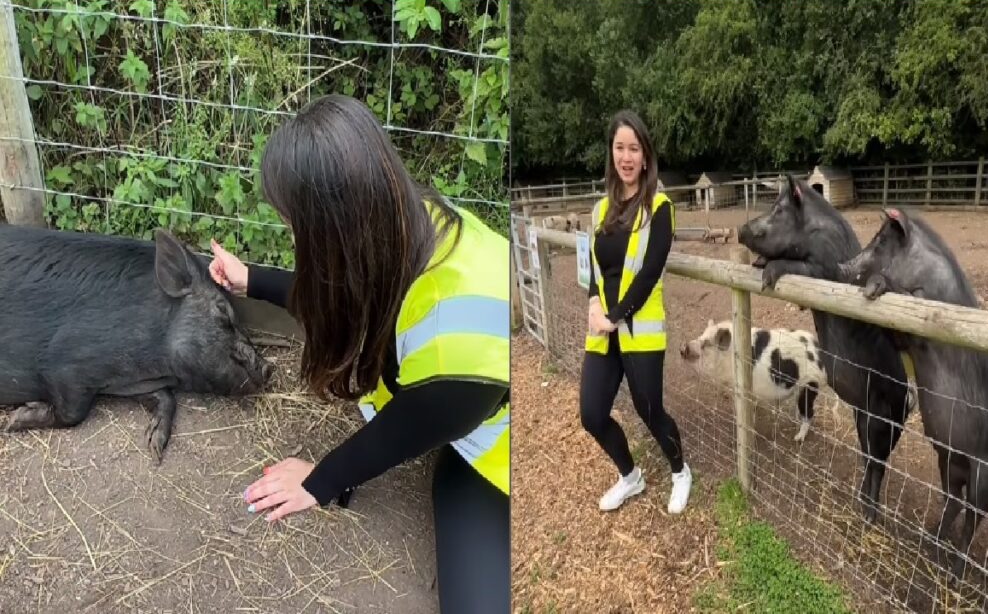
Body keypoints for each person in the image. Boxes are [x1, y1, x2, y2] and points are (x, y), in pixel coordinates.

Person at [207, 94, 510, 613]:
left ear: (334, 230)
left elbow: (399, 433)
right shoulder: (407, 219)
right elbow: (340, 295)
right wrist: (251, 280)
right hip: (442, 403)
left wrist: (322, 481)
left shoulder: (457, 347)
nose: (293, 235)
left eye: (297, 226)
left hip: (497, 452)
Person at [581, 110, 691, 514]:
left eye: (634, 149)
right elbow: (595, 268)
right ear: (612, 154)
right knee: (592, 414)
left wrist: (617, 315)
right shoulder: (599, 210)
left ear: (645, 157)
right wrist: (595, 303)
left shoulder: (659, 208)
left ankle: (680, 471)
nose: (626, 157)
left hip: (639, 329)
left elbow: (648, 274)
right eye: (619, 148)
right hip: (603, 328)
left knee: (650, 411)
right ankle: (631, 477)